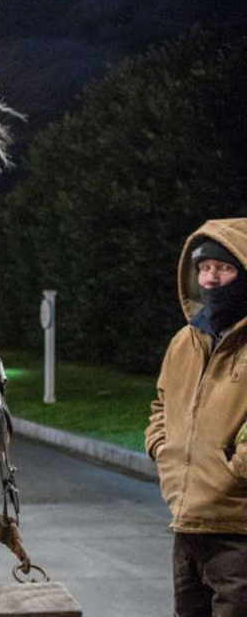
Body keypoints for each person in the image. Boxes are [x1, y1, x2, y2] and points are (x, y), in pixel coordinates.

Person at [145, 218, 247, 617]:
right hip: (187, 525)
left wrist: (234, 469)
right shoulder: (184, 341)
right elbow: (160, 406)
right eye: (203, 268)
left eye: (223, 268)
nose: (210, 278)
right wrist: (162, 448)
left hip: (238, 533)